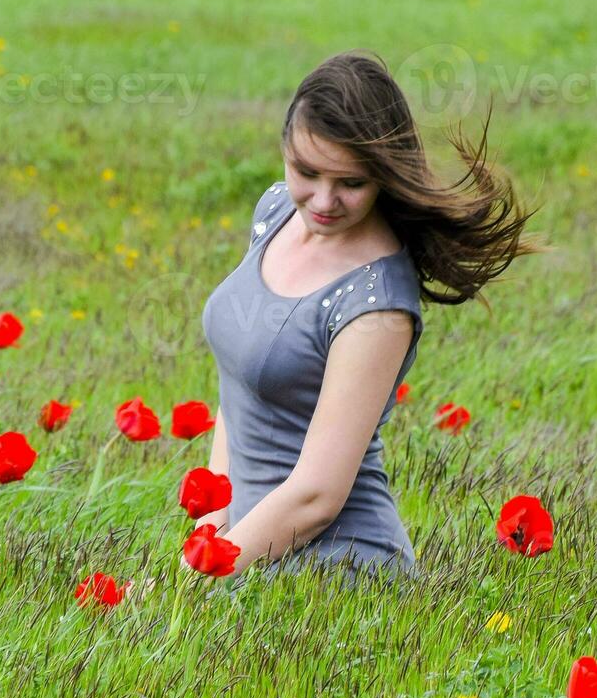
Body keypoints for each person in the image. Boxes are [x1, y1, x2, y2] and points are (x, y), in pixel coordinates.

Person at [195, 50, 543, 588]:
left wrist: (201, 573)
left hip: (336, 572)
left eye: (351, 183)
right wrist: (209, 534)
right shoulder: (275, 212)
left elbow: (316, 496)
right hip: (247, 551)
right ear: (285, 146)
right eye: (305, 171)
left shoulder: (376, 302)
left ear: (384, 176)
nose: (324, 200)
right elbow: (238, 384)